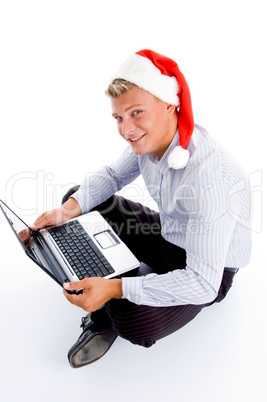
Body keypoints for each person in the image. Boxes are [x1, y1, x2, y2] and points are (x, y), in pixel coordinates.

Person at [31, 49, 252, 368]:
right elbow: (111, 176)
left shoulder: (208, 179)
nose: (126, 129)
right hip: (170, 236)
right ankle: (112, 274)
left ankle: (108, 293)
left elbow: (203, 283)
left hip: (209, 272)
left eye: (137, 112)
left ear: (168, 104)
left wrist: (117, 288)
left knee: (132, 320)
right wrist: (65, 211)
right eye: (119, 117)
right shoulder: (147, 142)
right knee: (78, 200)